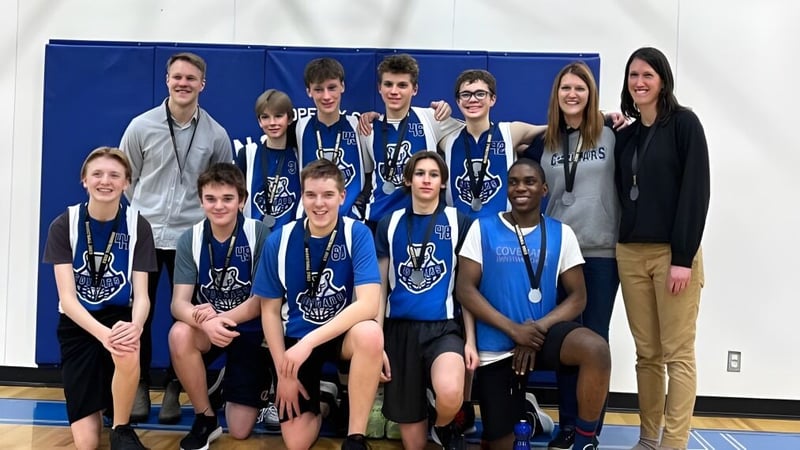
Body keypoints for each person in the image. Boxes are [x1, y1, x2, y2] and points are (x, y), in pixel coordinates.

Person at [456, 158, 611, 450]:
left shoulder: (561, 233)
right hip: (498, 345)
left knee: (596, 349)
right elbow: (465, 289)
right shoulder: (483, 228)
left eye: (529, 182)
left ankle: (585, 442)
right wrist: (515, 331)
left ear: (544, 189)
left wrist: (536, 329)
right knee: (500, 444)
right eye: (513, 182)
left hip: (543, 336)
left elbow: (578, 297)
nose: (520, 188)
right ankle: (529, 414)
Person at [119, 52, 233, 423]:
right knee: (142, 311)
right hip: (146, 235)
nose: (183, 83)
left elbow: (223, 185)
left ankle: (174, 385)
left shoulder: (216, 134)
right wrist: (143, 212)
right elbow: (125, 178)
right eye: (177, 77)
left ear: (203, 84)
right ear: (167, 80)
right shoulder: (141, 126)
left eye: (191, 78)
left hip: (192, 239)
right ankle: (137, 385)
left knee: (189, 317)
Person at [615, 47, 710, 450]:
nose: (639, 82)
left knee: (677, 354)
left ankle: (674, 443)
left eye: (647, 75)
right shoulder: (628, 135)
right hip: (631, 253)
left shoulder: (684, 124)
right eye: (633, 75)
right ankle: (648, 438)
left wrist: (683, 258)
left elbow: (696, 192)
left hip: (673, 256)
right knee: (647, 354)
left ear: (662, 80)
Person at [253, 159, 384, 450]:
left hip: (338, 335)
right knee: (297, 443)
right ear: (302, 197)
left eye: (327, 195)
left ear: (342, 196)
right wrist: (283, 374)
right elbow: (270, 312)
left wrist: (309, 342)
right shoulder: (280, 240)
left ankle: (355, 437)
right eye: (311, 195)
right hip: (296, 338)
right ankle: (324, 401)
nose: (319, 203)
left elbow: (369, 305)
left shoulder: (357, 233)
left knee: (371, 334)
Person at [522, 61, 619, 449]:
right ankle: (567, 428)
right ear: (557, 95)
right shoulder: (544, 142)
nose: (572, 94)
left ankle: (589, 431)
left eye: (580, 88)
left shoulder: (612, 134)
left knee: (595, 340)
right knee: (565, 342)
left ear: (590, 93)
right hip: (558, 254)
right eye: (565, 88)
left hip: (600, 252)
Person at [43, 147, 157, 450]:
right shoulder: (63, 224)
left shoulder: (138, 226)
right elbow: (67, 300)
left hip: (118, 315)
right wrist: (103, 335)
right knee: (87, 443)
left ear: (126, 183)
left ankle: (121, 427)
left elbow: (142, 295)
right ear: (84, 180)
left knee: (127, 345)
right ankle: (99, 409)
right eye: (97, 174)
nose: (105, 181)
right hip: (79, 322)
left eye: (114, 175)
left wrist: (136, 326)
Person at [374, 152, 476, 450]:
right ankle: (427, 414)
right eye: (420, 173)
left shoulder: (459, 222)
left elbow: (466, 290)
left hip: (443, 329)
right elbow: (380, 288)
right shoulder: (388, 223)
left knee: (450, 393)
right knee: (413, 446)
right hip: (399, 331)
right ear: (408, 180)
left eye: (434, 174)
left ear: (443, 182)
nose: (427, 180)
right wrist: (378, 337)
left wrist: (470, 340)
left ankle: (442, 423)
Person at [167, 163, 272, 450]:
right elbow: (179, 303)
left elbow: (261, 301)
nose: (219, 206)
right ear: (200, 201)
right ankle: (206, 417)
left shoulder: (258, 233)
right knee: (179, 333)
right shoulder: (191, 239)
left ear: (242, 200)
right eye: (211, 199)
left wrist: (220, 319)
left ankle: (254, 383)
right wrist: (205, 323)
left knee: (239, 431)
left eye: (227, 199)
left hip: (249, 330)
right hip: (209, 328)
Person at [359, 53, 462, 229]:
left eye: (402, 85)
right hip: (378, 220)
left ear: (414, 89)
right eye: (388, 84)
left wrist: (449, 109)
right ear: (379, 88)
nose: (394, 91)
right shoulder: (367, 128)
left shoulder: (431, 118)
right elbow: (368, 171)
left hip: (421, 219)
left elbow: (473, 131)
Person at [441, 69, 546, 220]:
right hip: (460, 231)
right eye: (466, 94)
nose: (472, 99)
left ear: (492, 99)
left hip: (501, 230)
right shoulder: (447, 140)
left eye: (480, 93)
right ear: (458, 101)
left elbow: (555, 130)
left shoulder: (510, 132)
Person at [294, 58, 370, 221]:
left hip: (351, 220)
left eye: (332, 88)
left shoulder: (359, 126)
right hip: (311, 221)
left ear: (342, 86)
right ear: (309, 91)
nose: (326, 96)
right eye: (319, 89)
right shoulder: (298, 127)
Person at [236, 89, 301, 229]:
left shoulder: (300, 156)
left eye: (278, 116)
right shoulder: (247, 154)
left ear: (289, 118)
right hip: (253, 238)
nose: (272, 123)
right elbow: (236, 198)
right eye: (265, 117)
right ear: (259, 121)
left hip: (289, 238)